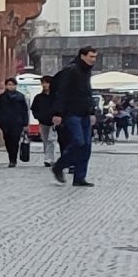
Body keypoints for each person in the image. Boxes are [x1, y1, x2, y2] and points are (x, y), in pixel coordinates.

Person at [49, 48, 98, 186]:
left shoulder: (86, 71)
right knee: (78, 142)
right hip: (71, 113)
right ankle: (59, 165)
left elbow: (87, 93)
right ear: (82, 56)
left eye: (95, 57)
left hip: (84, 113)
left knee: (86, 146)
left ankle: (79, 177)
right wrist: (57, 113)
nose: (93, 59)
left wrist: (91, 112)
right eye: (91, 57)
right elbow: (62, 92)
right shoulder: (71, 70)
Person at [0, 78, 30, 166]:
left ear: (16, 86)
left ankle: (13, 160)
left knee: (15, 141)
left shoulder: (20, 96)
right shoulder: (2, 97)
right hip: (5, 123)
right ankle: (10, 157)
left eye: (13, 85)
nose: (11, 86)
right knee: (7, 141)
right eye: (9, 84)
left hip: (17, 123)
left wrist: (25, 123)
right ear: (6, 86)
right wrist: (0, 122)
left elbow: (24, 111)